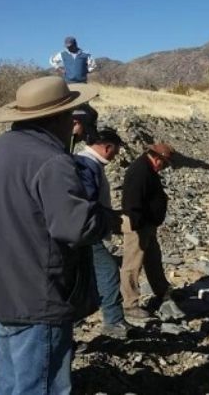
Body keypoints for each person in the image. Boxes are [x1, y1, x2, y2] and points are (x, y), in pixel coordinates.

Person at [0, 76, 119, 394]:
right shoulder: (51, 160)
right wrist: (108, 220)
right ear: (58, 118)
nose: (74, 123)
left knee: (12, 383)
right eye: (71, 115)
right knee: (42, 386)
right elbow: (75, 226)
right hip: (37, 293)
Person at [75, 128, 135, 338]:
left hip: (85, 230)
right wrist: (104, 219)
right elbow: (87, 202)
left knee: (84, 275)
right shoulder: (86, 164)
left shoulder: (87, 163)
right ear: (107, 147)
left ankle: (76, 320)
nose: (116, 155)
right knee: (108, 271)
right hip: (87, 232)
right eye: (115, 150)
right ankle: (114, 321)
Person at [120, 143, 175, 319]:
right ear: (158, 159)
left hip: (146, 224)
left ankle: (162, 290)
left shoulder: (147, 168)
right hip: (139, 225)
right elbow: (132, 200)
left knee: (153, 258)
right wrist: (139, 224)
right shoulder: (140, 171)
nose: (164, 168)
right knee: (132, 263)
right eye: (164, 164)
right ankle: (130, 303)